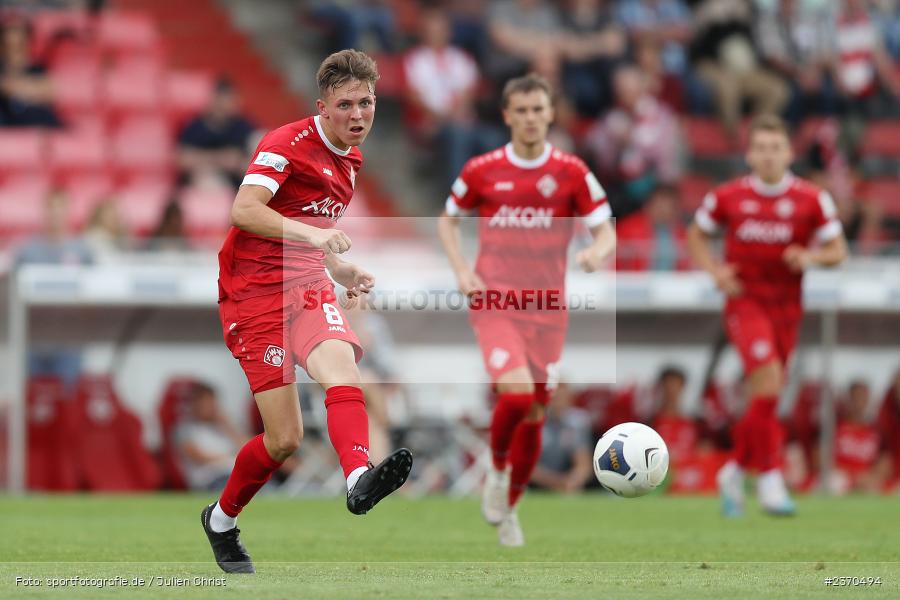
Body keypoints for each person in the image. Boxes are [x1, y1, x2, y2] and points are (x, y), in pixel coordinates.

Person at [201, 50, 413, 574]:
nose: (358, 115)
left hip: (307, 285)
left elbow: (309, 229)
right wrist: (317, 237)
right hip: (253, 294)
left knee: (342, 370)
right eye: (345, 105)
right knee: (284, 440)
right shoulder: (286, 144)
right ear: (323, 107)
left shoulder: (351, 160)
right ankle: (221, 521)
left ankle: (357, 477)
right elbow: (244, 210)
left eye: (366, 103)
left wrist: (339, 268)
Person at [437, 73, 616, 546]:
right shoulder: (482, 169)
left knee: (536, 413)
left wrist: (597, 252)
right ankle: (497, 473)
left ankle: (511, 506)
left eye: (538, 109)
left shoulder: (571, 171)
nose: (531, 118)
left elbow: (606, 228)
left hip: (548, 310)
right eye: (522, 110)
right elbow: (448, 221)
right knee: (516, 396)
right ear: (507, 116)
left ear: (551, 113)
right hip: (495, 301)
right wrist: (461, 270)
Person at [687, 114, 848, 517]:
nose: (768, 155)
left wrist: (809, 256)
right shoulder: (727, 196)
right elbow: (696, 234)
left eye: (775, 148)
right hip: (745, 303)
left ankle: (733, 470)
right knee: (770, 381)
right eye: (760, 148)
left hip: (787, 308)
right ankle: (770, 478)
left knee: (766, 396)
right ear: (749, 154)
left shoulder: (812, 198)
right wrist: (715, 271)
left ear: (789, 152)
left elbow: (838, 250)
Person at [177, 78, 260, 189]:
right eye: (221, 100)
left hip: (239, 180)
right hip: (209, 177)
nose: (224, 105)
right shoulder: (196, 126)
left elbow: (256, 153)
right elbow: (182, 159)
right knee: (208, 179)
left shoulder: (242, 125)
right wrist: (220, 158)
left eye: (229, 100)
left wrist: (239, 162)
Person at [174, 382, 249, 492]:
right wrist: (235, 459)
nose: (208, 406)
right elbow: (199, 457)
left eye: (211, 401)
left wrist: (229, 427)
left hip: (239, 473)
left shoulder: (225, 426)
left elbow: (250, 449)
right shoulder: (185, 429)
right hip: (211, 479)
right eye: (203, 402)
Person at [530, 382, 594, 494]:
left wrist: (572, 481)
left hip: (568, 485)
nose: (558, 404)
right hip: (534, 487)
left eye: (563, 398)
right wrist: (556, 482)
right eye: (555, 399)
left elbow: (584, 464)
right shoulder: (532, 421)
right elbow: (526, 465)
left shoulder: (579, 422)